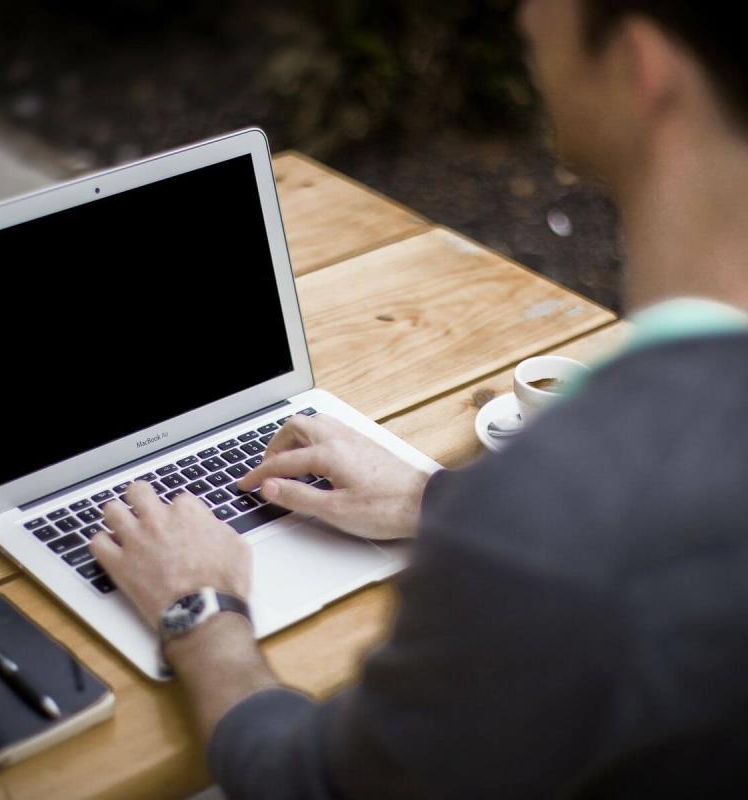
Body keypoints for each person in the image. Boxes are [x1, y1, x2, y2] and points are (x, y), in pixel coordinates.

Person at [90, 1, 748, 796]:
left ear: (644, 63)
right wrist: (432, 497)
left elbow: (308, 788)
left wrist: (200, 611)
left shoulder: (563, 517)